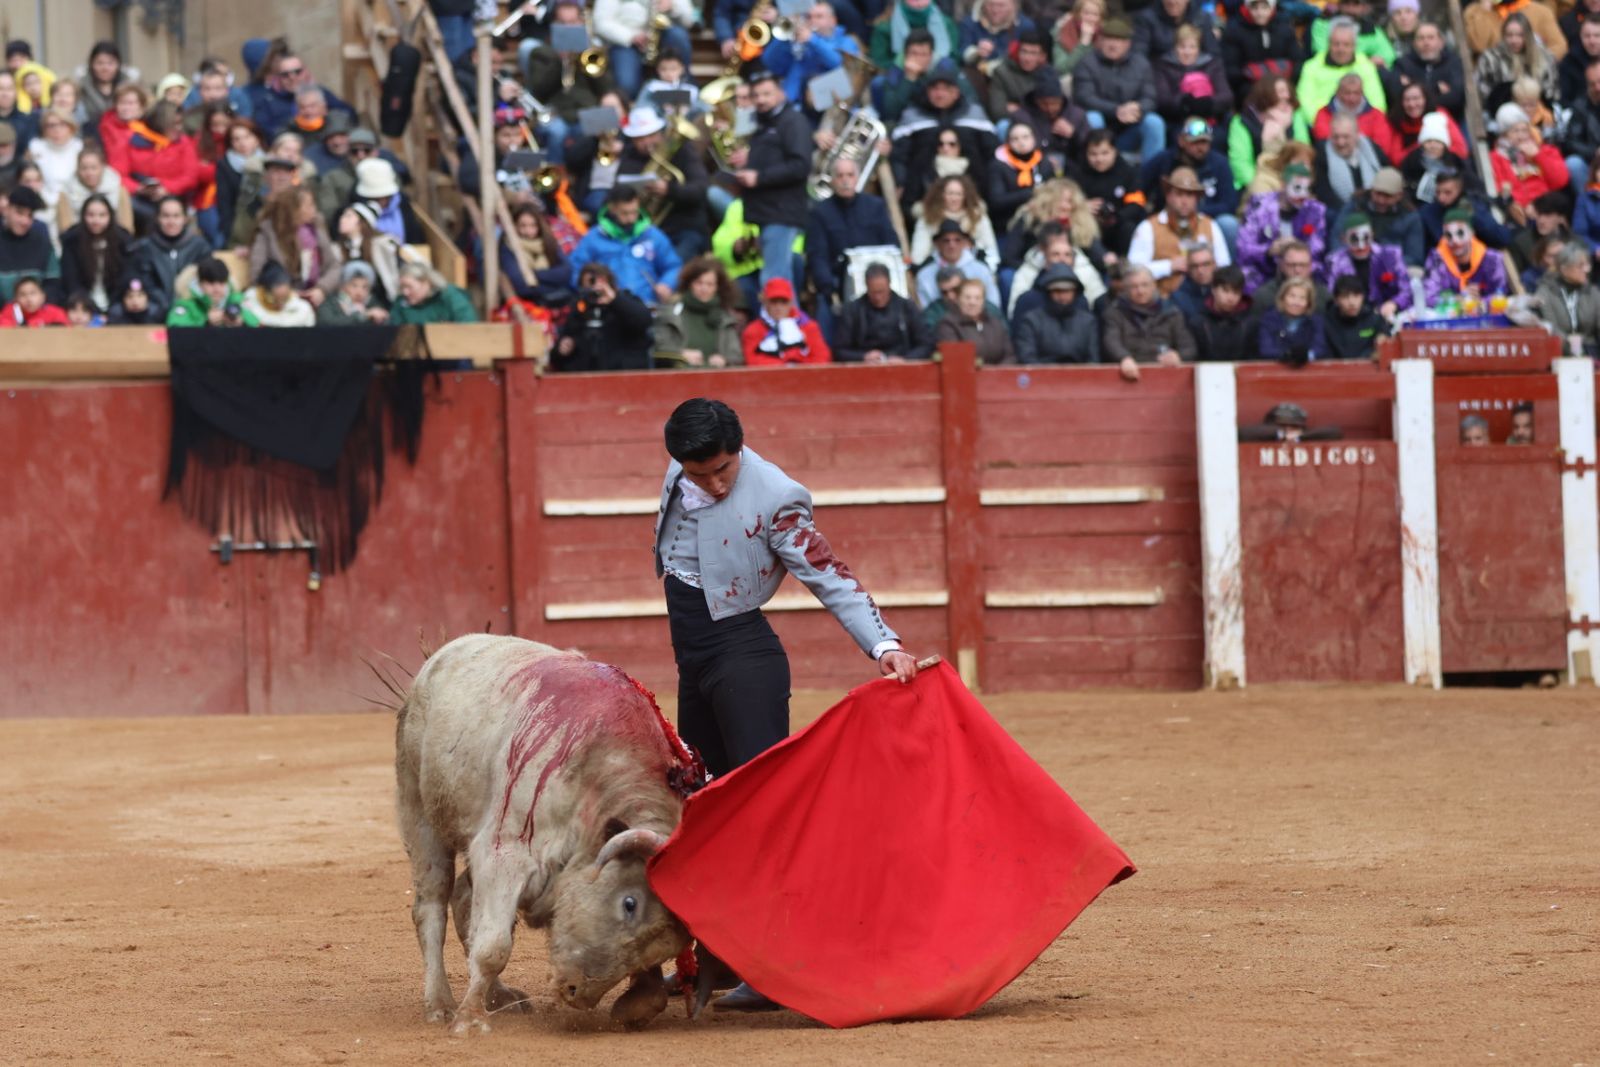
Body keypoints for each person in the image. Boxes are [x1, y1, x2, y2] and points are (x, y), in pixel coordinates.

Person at [652, 397, 918, 1010]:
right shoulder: (681, 471)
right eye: (700, 475)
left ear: (739, 449)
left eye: (723, 469)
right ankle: (715, 960)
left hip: (745, 663)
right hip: (696, 667)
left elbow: (829, 573)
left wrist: (884, 644)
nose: (714, 484)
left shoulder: (776, 496)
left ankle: (782, 967)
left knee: (765, 813)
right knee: (705, 808)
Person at [729, 70, 811, 292]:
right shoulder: (762, 123)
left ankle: (784, 326)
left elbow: (801, 165)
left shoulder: (793, 121)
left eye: (767, 94)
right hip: (767, 213)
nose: (761, 100)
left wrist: (758, 177)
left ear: (781, 93)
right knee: (779, 282)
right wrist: (749, 161)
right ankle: (788, 325)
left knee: (774, 283)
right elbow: (774, 158)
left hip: (781, 213)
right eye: (756, 95)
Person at [806, 155, 902, 331]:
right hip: (838, 284)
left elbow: (892, 244)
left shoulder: (875, 206)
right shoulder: (820, 213)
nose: (845, 181)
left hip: (876, 281)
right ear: (833, 180)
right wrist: (829, 289)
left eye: (849, 175)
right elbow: (817, 254)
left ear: (857, 178)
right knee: (825, 308)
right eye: (840, 176)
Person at [888, 60, 999, 211]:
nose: (939, 94)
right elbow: (899, 156)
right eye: (934, 89)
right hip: (922, 196)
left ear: (956, 92)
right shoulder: (912, 116)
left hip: (973, 194)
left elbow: (993, 153)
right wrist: (900, 182)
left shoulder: (975, 114)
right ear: (927, 92)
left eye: (946, 89)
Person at [568, 184, 683, 307]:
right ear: (612, 208)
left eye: (634, 212)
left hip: (647, 304)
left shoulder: (651, 235)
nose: (630, 219)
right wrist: (591, 286)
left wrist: (666, 283)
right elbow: (575, 270)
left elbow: (673, 266)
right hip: (608, 305)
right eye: (624, 213)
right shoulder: (594, 237)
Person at [1128, 166, 1233, 295]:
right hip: (1162, 302)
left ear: (1197, 198)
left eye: (1189, 195)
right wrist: (1169, 266)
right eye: (1179, 194)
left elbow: (1224, 268)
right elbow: (1133, 270)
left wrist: (1204, 267)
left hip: (1204, 301)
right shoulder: (1148, 227)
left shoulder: (1210, 225)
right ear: (1168, 196)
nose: (1184, 201)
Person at [1140, 118, 1241, 250]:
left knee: (1229, 223)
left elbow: (1230, 204)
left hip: (1207, 221)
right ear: (1182, 141)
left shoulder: (1220, 163)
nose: (1201, 147)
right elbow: (1139, 184)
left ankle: (1228, 269)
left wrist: (1195, 212)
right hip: (1168, 220)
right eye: (1195, 143)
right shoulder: (1165, 160)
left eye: (1204, 142)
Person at [1074, 16, 1164, 161]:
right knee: (1092, 118)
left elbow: (1150, 98)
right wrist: (1116, 110)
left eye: (1118, 40)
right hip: (1101, 127)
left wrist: (1138, 108)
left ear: (1128, 43)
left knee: (1154, 122)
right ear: (1100, 41)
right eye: (1109, 39)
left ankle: (1150, 176)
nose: (1113, 45)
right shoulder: (1087, 63)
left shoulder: (1141, 64)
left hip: (1130, 128)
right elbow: (1084, 97)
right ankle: (1093, 166)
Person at [1237, 162, 1328, 289]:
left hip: (1301, 269)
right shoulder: (1259, 206)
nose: (1303, 195)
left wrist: (1296, 248)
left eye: (1307, 189)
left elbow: (1318, 248)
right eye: (1297, 188)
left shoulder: (1315, 210)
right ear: (1283, 185)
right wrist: (1268, 250)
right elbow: (1243, 248)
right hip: (1265, 271)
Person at [249, 185, 342, 307]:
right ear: (294, 209)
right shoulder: (267, 231)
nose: (314, 209)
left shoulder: (317, 227)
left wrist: (321, 289)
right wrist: (287, 293)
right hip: (283, 299)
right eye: (309, 205)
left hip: (316, 296)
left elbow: (334, 266)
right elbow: (257, 273)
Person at [555, 261, 655, 371]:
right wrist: (564, 348)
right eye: (589, 285)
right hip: (587, 378)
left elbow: (644, 320)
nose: (594, 289)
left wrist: (615, 300)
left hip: (623, 376)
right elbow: (563, 344)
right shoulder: (579, 309)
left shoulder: (625, 301)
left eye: (599, 283)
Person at [1101, 263, 1196, 380]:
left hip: (1166, 376)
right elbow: (1111, 341)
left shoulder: (1172, 313)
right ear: (1125, 289)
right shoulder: (1114, 312)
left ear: (1154, 286)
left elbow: (1189, 347)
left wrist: (1178, 356)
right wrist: (1123, 358)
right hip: (1127, 373)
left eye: (1145, 285)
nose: (1140, 291)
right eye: (1134, 287)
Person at [126, 195, 213, 317]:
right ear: (158, 218)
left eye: (176, 216)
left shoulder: (200, 247)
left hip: (191, 308)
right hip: (155, 309)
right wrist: (165, 305)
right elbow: (145, 282)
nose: (171, 222)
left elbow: (207, 280)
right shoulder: (144, 247)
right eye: (166, 216)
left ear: (185, 218)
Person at [593, 0, 696, 101]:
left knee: (678, 35)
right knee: (628, 87)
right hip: (626, 42)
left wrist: (673, 6)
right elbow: (601, 22)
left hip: (662, 37)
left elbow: (690, 20)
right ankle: (639, 105)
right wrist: (630, 36)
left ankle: (685, 86)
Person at [654, 256, 746, 368]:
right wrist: (681, 354)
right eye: (699, 283)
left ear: (717, 287)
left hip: (717, 379)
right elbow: (658, 348)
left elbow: (737, 356)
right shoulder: (671, 313)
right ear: (689, 284)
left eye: (710, 284)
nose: (704, 288)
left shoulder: (725, 317)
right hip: (679, 378)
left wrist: (724, 360)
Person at [834, 263, 935, 362]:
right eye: (873, 292)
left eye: (881, 291)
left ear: (889, 284)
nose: (878, 297)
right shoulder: (852, 310)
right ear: (866, 286)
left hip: (902, 365)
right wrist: (863, 357)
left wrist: (905, 359)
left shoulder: (907, 307)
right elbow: (839, 350)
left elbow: (926, 344)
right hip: (865, 368)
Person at [1227, 75, 1311, 191]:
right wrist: (1261, 186)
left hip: (1292, 184)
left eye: (1288, 91)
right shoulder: (1242, 122)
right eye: (1281, 91)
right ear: (1265, 95)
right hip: (1256, 185)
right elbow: (1240, 163)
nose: (1286, 96)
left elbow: (1303, 151)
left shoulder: (1296, 116)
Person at [1297, 17, 1386, 125]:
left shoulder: (1366, 66)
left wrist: (1353, 129)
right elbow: (1304, 102)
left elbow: (1378, 104)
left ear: (1354, 46)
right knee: (1298, 116)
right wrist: (1324, 125)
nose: (1341, 49)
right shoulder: (1311, 66)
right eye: (1336, 44)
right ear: (1329, 44)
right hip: (1320, 124)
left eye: (1346, 44)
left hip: (1360, 126)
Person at [1072, 129, 1147, 256]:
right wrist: (1082, 206)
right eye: (1093, 154)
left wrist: (1114, 217)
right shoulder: (1077, 173)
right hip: (1088, 226)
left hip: (1119, 225)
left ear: (1115, 151)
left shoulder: (1128, 173)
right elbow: (1064, 201)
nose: (1099, 159)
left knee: (1129, 229)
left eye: (1105, 153)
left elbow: (1136, 205)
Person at [1325, 212, 1412, 322]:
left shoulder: (1391, 256)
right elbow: (1333, 295)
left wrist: (1394, 303)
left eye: (1366, 238)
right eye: (1354, 239)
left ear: (1372, 235)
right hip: (1352, 318)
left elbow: (1408, 290)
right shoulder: (1335, 262)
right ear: (1344, 239)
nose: (1361, 247)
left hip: (1388, 316)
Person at [1423, 207, 1512, 307]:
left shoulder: (1492, 259)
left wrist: (1476, 303)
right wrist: (1459, 298)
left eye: (1460, 233)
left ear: (1471, 233)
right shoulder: (1437, 260)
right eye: (1448, 235)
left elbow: (1501, 294)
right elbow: (1428, 297)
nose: (1455, 241)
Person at [59, 194, 132, 313]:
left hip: (116, 302)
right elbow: (71, 280)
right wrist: (91, 307)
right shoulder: (72, 240)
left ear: (110, 216)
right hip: (81, 302)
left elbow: (124, 279)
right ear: (83, 216)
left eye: (102, 215)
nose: (96, 220)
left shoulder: (122, 240)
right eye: (91, 215)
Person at [1476, 12, 1560, 114]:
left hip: (1538, 115)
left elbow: (1551, 93)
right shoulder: (1490, 60)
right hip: (1502, 116)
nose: (1514, 40)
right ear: (1503, 35)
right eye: (1509, 35)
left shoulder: (1544, 59)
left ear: (1528, 36)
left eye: (1520, 35)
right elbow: (1483, 94)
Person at [1221, 0, 1304, 102]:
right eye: (1255, 8)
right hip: (1250, 88)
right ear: (1248, 8)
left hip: (1283, 82)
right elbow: (1231, 69)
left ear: (1272, 8)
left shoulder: (1284, 28)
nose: (1260, 13)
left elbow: (1297, 60)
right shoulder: (1234, 31)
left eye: (1265, 8)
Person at [1013, 263, 1099, 362]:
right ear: (1048, 292)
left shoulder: (1088, 322)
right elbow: (1027, 358)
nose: (1062, 297)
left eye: (1067, 291)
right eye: (1057, 291)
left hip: (1083, 376)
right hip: (1042, 376)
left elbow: (1093, 360)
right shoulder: (1031, 321)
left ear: (1075, 292)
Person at [911, 175, 1001, 269]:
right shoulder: (928, 219)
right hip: (938, 271)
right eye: (950, 193)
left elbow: (991, 252)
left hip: (973, 272)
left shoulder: (978, 218)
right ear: (941, 195)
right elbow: (919, 256)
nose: (954, 199)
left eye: (958, 194)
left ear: (965, 196)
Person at [1154, 26, 1234, 130]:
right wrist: (1185, 104)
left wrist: (1207, 103)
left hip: (1210, 117)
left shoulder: (1212, 64)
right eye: (1182, 47)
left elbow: (1226, 96)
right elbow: (1163, 99)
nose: (1187, 52)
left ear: (1199, 48)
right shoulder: (1164, 66)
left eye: (1192, 47)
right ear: (1175, 48)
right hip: (1177, 120)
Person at [1490, 104, 1571, 208]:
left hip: (1546, 207)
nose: (1521, 136)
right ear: (1504, 135)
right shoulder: (1497, 157)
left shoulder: (1545, 150)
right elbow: (1500, 188)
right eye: (1515, 131)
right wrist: (1525, 206)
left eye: (1524, 130)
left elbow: (1560, 181)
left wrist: (1538, 156)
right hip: (1518, 211)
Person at [988, 121, 1059, 234]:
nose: (1021, 142)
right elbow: (997, 202)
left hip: (1043, 220)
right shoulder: (998, 166)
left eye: (1025, 137)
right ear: (1008, 142)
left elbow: (1055, 191)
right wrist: (1030, 193)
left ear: (1034, 139)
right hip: (1009, 223)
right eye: (1015, 139)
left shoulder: (1044, 162)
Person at [742, 277, 831, 365]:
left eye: (783, 302)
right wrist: (786, 367)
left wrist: (796, 368)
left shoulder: (809, 327)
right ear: (765, 302)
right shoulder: (753, 331)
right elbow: (753, 361)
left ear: (791, 303)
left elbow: (822, 357)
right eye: (774, 301)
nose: (778, 307)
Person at [915, 219, 1001, 307]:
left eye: (957, 240)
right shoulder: (924, 275)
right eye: (946, 240)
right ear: (937, 244)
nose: (952, 245)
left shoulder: (982, 270)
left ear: (965, 242)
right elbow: (925, 309)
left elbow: (993, 304)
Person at [1391, 20, 1467, 119]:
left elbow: (1456, 98)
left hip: (1449, 119)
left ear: (1441, 42)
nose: (1426, 42)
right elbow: (1398, 96)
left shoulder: (1453, 63)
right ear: (1414, 43)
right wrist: (1436, 88)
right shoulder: (1402, 64)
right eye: (1421, 38)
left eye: (1431, 38)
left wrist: (1416, 96)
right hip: (1411, 121)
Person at [1535, 240, 1600, 354]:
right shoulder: (1545, 292)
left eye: (1587, 265)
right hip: (1558, 351)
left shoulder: (1592, 292)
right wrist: (1572, 347)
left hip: (1591, 352)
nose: (1586, 270)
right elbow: (1550, 326)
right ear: (1564, 269)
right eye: (1580, 265)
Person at [1464, 0, 1567, 69]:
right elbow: (1479, 45)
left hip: (1532, 82)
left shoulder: (1540, 12)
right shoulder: (1474, 12)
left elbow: (1559, 46)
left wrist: (1535, 63)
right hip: (1495, 79)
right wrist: (1485, 9)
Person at [0, 186, 60, 304]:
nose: (25, 221)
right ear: (7, 209)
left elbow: (53, 283)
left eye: (30, 215)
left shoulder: (43, 242)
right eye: (20, 213)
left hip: (36, 316)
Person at [934, 277, 1015, 363]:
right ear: (958, 299)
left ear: (983, 301)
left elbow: (1010, 355)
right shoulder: (948, 325)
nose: (972, 302)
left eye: (977, 298)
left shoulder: (995, 323)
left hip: (998, 375)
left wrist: (996, 374)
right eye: (967, 297)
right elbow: (954, 358)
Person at [984, 26, 1055, 123]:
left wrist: (1019, 109)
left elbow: (1055, 110)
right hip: (1014, 125)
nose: (1026, 58)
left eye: (1033, 53)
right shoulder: (1002, 73)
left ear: (1042, 56)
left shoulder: (1049, 73)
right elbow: (997, 111)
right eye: (1024, 51)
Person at [167, 256, 258, 327]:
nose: (217, 289)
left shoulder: (238, 301)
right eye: (211, 283)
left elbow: (258, 328)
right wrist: (206, 322)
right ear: (200, 284)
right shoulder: (186, 305)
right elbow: (176, 333)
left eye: (221, 283)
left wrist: (242, 324)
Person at [1191, 264, 1256, 359]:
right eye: (1225, 291)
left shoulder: (1250, 322)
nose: (1231, 298)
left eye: (1236, 292)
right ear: (1213, 289)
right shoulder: (1199, 323)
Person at [1257, 277, 1327, 364]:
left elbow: (1320, 348)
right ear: (1282, 298)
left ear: (1308, 303)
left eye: (1302, 298)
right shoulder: (1269, 319)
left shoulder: (1316, 321)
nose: (1296, 302)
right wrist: (1287, 355)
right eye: (1292, 296)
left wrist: (1307, 356)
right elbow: (1265, 349)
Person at [1323, 273, 1388, 359]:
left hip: (1368, 370)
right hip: (1334, 370)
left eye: (1356, 296)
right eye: (1345, 296)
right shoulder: (1325, 322)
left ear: (1363, 297)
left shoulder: (1375, 320)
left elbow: (1386, 346)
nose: (1352, 302)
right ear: (1336, 300)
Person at [390, 262, 478, 324]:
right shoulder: (401, 303)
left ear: (426, 283)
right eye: (402, 287)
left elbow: (468, 325)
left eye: (409, 287)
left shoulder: (450, 296)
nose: (405, 292)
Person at [316, 259, 390, 325]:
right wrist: (362, 316)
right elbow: (326, 323)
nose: (359, 291)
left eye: (365, 287)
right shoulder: (331, 303)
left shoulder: (373, 304)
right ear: (344, 286)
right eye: (354, 286)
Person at [0, 275, 68, 327]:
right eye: (23, 295)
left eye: (33, 293)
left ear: (43, 296)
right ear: (15, 299)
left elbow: (65, 330)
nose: (28, 299)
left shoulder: (55, 313)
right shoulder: (9, 311)